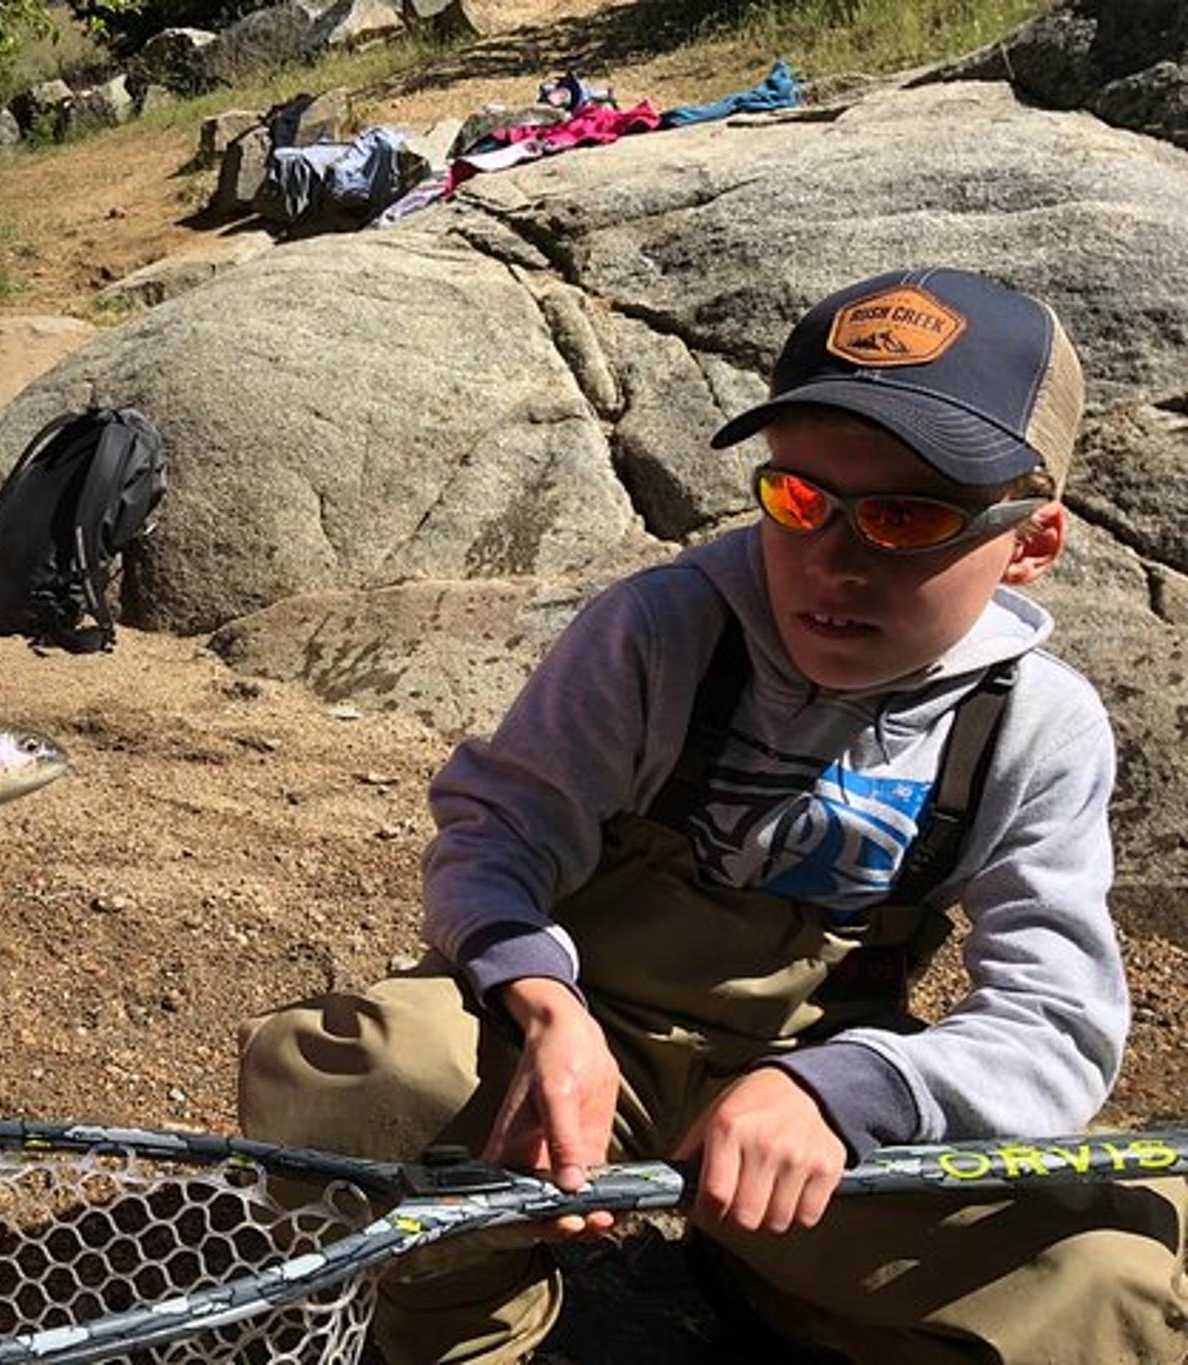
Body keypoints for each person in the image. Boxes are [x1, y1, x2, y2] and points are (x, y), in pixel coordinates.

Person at [238, 267, 1188, 1364]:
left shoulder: (1036, 725)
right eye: (796, 500)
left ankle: (775, 1285)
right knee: (351, 1077)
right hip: (580, 1040)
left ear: (1029, 541)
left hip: (813, 1098)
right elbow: (497, 833)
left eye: (903, 517)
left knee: (1117, 1275)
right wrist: (546, 1012)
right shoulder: (663, 630)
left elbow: (1053, 1024)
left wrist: (839, 1094)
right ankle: (464, 1321)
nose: (831, 561)